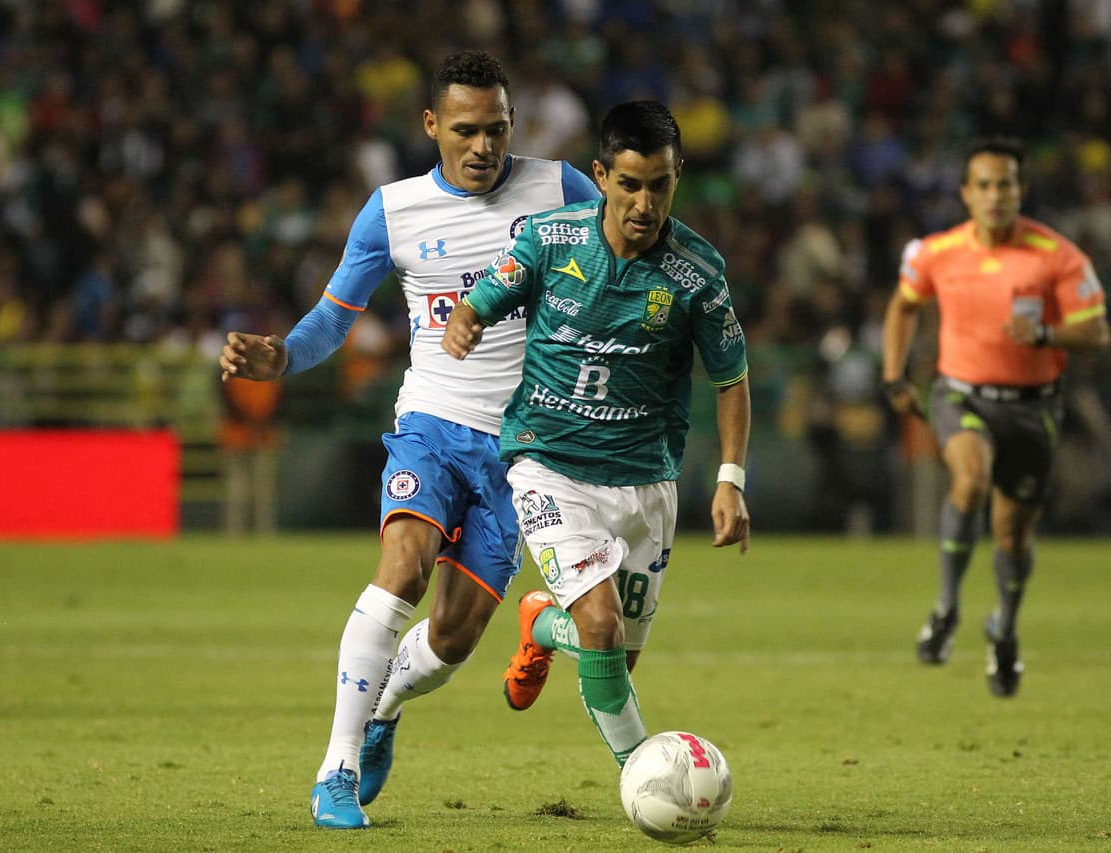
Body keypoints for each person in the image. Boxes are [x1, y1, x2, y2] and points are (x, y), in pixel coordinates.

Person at [218, 49, 598, 829]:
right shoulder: (391, 210)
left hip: (523, 452)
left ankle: (386, 702)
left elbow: (620, 271)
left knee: (454, 639)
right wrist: (283, 354)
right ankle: (337, 766)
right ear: (432, 125)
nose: (483, 146)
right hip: (430, 421)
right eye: (465, 130)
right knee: (403, 566)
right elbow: (334, 318)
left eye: (496, 129)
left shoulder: (563, 191)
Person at [442, 100, 751, 768]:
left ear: (677, 178)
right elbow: (487, 295)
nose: (644, 202)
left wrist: (730, 478)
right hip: (548, 464)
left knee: (616, 654)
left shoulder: (698, 273)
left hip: (646, 477)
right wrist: (466, 317)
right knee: (603, 626)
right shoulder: (550, 238)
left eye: (660, 186)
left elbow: (732, 378)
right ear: (602, 176)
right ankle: (648, 777)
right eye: (629, 184)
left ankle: (540, 621)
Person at [880, 136, 1111, 697]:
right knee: (971, 478)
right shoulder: (937, 252)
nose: (995, 194)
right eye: (983, 184)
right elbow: (903, 304)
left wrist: (1050, 334)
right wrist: (894, 375)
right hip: (960, 395)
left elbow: (1097, 331)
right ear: (966, 193)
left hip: (1033, 408)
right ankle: (945, 609)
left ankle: (1003, 628)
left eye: (1005, 183)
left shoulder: (1056, 255)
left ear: (1020, 190)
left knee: (1012, 536)